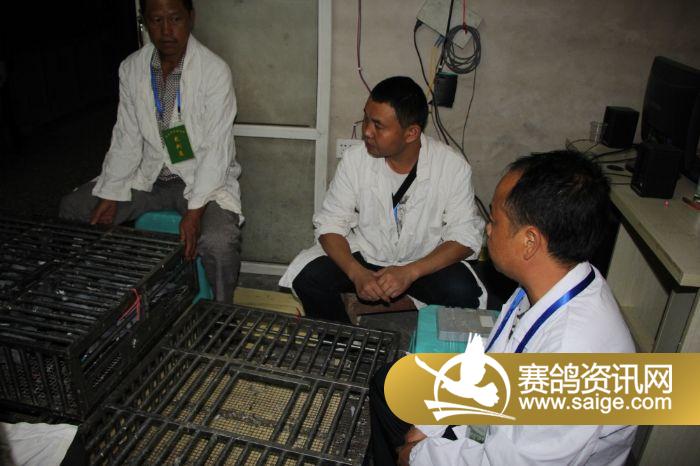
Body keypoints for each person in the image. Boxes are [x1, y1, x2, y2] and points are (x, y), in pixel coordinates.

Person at [369, 150, 637, 465]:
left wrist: (418, 456)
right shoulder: (551, 281)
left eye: (495, 220)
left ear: (530, 242)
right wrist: (433, 422)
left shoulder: (573, 360)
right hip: (496, 421)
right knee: (390, 384)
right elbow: (492, 365)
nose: (487, 228)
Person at [59, 0, 242, 303]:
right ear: (144, 21)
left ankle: (222, 312)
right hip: (149, 177)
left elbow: (216, 150)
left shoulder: (214, 71)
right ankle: (92, 296)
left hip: (201, 182)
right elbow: (126, 136)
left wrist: (194, 214)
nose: (166, 30)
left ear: (191, 18)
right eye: (157, 20)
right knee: (75, 208)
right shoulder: (132, 68)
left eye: (175, 19)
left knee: (219, 241)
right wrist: (111, 191)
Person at [279, 76, 486, 323]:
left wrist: (410, 272)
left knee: (464, 292)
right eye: (366, 118)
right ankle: (343, 341)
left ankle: (434, 346)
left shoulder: (451, 167)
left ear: (411, 133)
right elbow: (330, 224)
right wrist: (356, 273)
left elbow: (465, 237)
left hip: (421, 263)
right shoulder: (355, 160)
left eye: (378, 125)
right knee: (308, 277)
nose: (367, 131)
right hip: (368, 255)